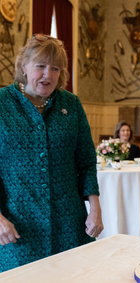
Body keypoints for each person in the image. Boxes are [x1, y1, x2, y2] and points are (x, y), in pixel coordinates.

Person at [0, 34, 103, 272]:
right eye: (41, 66)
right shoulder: (3, 103)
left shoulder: (71, 104)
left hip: (69, 223)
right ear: (24, 66)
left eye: (55, 68)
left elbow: (86, 161)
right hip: (18, 227)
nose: (48, 75)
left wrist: (95, 209)